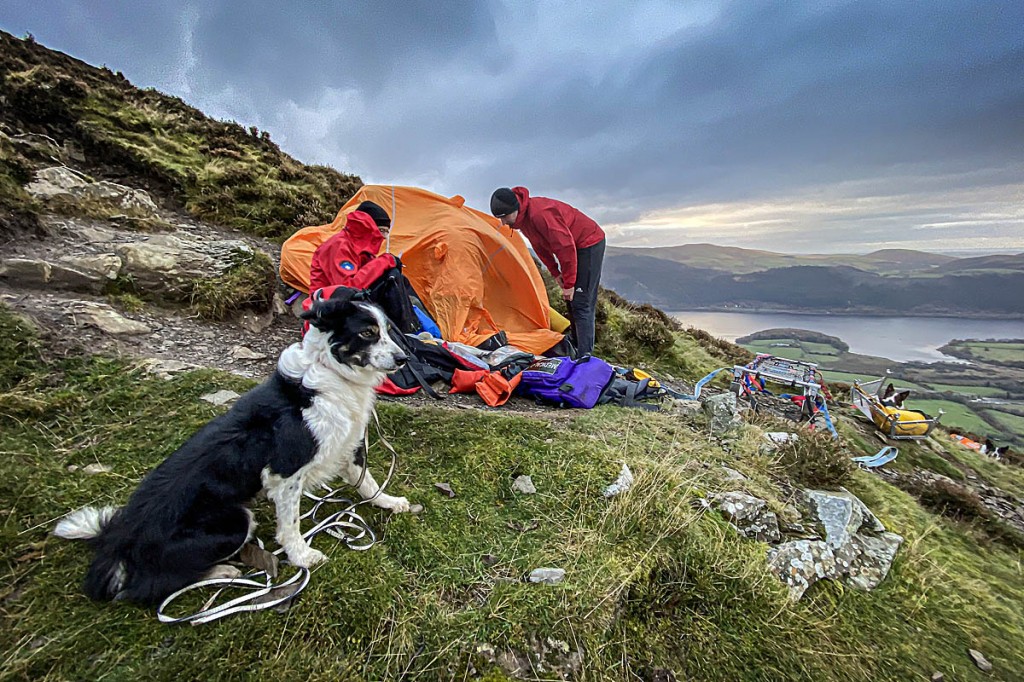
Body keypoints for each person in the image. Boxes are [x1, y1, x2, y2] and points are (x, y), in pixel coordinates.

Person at [489, 186, 606, 356]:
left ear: (515, 209)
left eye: (505, 217)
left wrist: (570, 283)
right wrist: (556, 273)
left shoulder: (540, 214)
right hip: (573, 247)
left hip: (589, 243)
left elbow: (566, 247)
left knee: (581, 302)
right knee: (570, 300)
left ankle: (585, 357)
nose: (504, 223)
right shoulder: (523, 221)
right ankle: (576, 343)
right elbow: (540, 247)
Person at [308, 200, 419, 333]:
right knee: (391, 276)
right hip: (326, 309)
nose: (384, 237)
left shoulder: (363, 251)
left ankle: (414, 329)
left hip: (349, 305)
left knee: (397, 277)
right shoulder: (339, 245)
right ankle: (407, 332)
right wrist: (384, 261)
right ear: (368, 226)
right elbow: (346, 288)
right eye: (382, 230)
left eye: (386, 232)